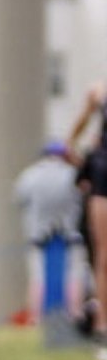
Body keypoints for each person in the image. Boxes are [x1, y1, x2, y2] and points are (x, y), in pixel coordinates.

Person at [13, 142, 83, 323]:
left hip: (38, 234)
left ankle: (36, 316)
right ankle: (74, 314)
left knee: (37, 276)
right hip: (70, 233)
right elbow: (82, 199)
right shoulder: (72, 174)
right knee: (73, 274)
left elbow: (19, 200)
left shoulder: (30, 175)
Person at [67, 82, 107, 343]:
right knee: (104, 255)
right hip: (104, 174)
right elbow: (71, 141)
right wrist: (86, 162)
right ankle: (103, 325)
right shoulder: (99, 92)